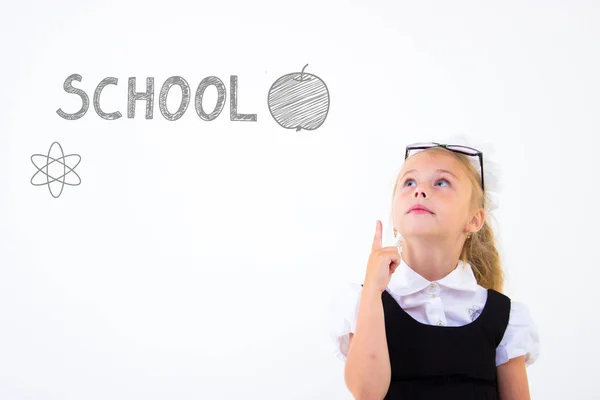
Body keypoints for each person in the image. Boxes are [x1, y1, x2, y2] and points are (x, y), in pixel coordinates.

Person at [328, 141, 540, 399]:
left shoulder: (504, 317)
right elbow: (367, 393)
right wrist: (372, 292)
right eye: (409, 183)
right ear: (395, 218)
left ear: (474, 219)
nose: (420, 191)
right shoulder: (364, 302)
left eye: (441, 182)